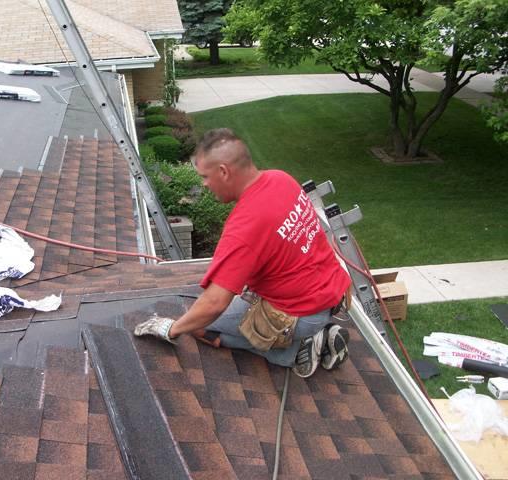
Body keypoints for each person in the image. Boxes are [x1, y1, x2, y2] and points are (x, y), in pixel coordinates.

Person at [135, 128, 351, 378]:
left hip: (300, 313)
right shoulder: (281, 178)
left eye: (205, 177)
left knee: (199, 326)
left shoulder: (245, 226)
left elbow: (214, 303)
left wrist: (171, 329)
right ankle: (314, 334)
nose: (204, 185)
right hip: (334, 294)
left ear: (224, 172)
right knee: (210, 325)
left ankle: (300, 347)